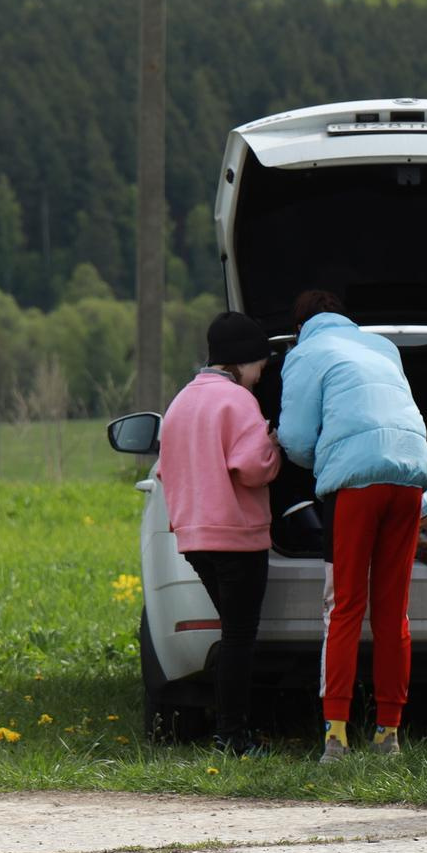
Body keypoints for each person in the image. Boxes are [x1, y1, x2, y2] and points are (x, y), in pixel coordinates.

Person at [275, 290, 427, 763]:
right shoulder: (382, 347)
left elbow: (298, 438)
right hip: (409, 474)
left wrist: (315, 456)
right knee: (393, 611)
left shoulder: (305, 352)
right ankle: (389, 735)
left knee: (346, 606)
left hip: (356, 483)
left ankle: (336, 736)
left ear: (302, 326)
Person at [156, 311, 282, 754]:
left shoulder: (181, 401)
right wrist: (273, 445)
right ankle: (232, 736)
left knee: (231, 631)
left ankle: (231, 730)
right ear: (241, 362)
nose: (260, 374)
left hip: (194, 537)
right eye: (259, 366)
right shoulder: (237, 402)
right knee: (239, 636)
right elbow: (251, 468)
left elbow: (163, 470)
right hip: (235, 535)